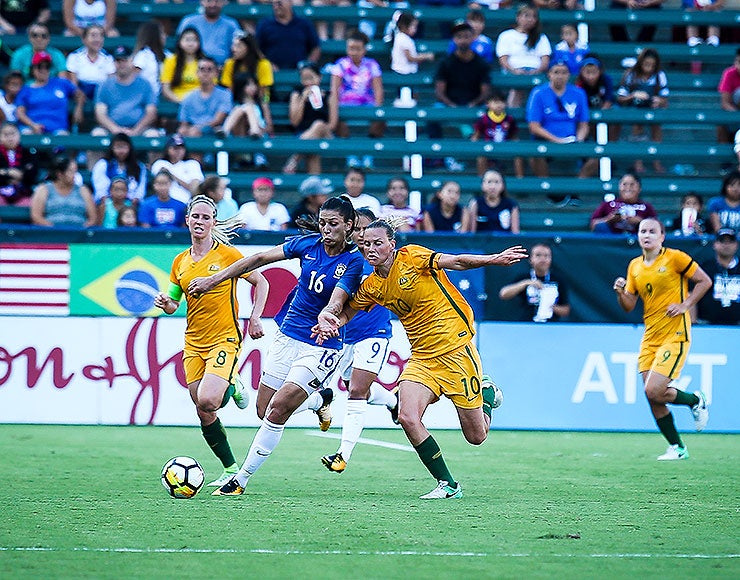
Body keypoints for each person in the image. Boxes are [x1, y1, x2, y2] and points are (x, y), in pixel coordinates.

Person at [313, 221, 525, 498]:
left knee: (476, 437)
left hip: (456, 352)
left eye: (378, 243)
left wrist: (493, 260)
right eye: (366, 244)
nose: (371, 249)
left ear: (392, 244)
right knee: (407, 416)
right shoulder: (373, 285)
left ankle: (485, 395)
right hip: (422, 359)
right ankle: (448, 485)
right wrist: (331, 323)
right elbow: (348, 312)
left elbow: (457, 261)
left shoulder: (412, 257)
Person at [187, 196, 366, 497]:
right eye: (322, 222)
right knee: (263, 410)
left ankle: (240, 480)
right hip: (287, 336)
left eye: (333, 224)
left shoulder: (354, 261)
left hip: (321, 345)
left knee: (278, 410)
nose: (326, 229)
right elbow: (258, 260)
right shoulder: (307, 245)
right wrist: (214, 279)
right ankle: (319, 401)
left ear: (349, 226)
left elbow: (337, 298)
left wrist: (328, 316)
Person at [154, 194, 269, 488]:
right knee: (203, 407)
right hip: (193, 342)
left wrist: (255, 317)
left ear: (213, 222)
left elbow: (262, 282)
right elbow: (173, 304)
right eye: (196, 217)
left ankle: (232, 382)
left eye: (206, 217)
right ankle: (230, 467)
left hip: (224, 337)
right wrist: (165, 301)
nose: (200, 222)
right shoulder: (179, 261)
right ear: (187, 220)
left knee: (209, 398)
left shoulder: (227, 255)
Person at [613, 217, 711, 460]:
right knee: (652, 395)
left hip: (675, 333)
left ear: (662, 236)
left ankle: (695, 400)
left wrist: (685, 304)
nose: (647, 235)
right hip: (650, 335)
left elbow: (704, 281)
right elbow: (628, 305)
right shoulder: (635, 266)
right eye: (642, 231)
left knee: (655, 389)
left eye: (652, 231)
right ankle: (678, 448)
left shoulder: (675, 257)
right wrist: (619, 292)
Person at [320, 207, 400, 473]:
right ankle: (392, 400)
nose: (361, 235)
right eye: (356, 230)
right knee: (351, 385)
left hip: (374, 332)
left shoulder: (382, 260)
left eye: (365, 230)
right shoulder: (349, 260)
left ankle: (342, 454)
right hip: (346, 335)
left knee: (356, 390)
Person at [431, 19, 491, 172]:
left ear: (473, 38)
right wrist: (451, 105)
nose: (463, 40)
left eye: (466, 36)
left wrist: (474, 104)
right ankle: (437, 156)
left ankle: (490, 158)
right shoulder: (446, 63)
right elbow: (439, 92)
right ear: (454, 39)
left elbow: (485, 91)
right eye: (459, 37)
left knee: (493, 114)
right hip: (449, 104)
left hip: (474, 105)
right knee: (433, 114)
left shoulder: (481, 63)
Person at [526, 59, 592, 178]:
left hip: (572, 138)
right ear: (549, 74)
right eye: (556, 72)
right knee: (535, 154)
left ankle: (575, 189)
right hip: (546, 138)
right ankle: (547, 189)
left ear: (568, 75)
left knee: (596, 156)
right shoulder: (538, 93)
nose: (560, 76)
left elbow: (584, 124)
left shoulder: (578, 93)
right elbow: (534, 126)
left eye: (564, 72)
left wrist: (579, 139)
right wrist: (557, 140)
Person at [330, 29, 385, 169]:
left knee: (381, 120)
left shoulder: (372, 64)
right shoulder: (340, 64)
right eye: (351, 48)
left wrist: (378, 110)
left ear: (364, 49)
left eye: (357, 49)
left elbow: (378, 89)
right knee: (338, 120)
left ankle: (368, 156)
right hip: (345, 105)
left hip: (367, 104)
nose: (354, 52)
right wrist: (335, 109)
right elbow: (335, 90)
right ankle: (351, 157)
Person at [615, 48, 669, 174]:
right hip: (634, 108)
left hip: (652, 108)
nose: (649, 68)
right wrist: (634, 95)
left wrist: (658, 101)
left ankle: (656, 160)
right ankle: (638, 162)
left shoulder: (660, 76)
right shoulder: (631, 75)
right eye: (646, 64)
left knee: (657, 125)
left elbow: (665, 100)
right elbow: (620, 98)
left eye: (652, 65)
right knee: (637, 124)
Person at [94, 46, 157, 138]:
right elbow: (100, 113)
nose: (121, 64)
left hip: (139, 129)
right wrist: (115, 129)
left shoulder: (145, 84)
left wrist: (136, 130)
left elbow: (151, 112)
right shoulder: (105, 85)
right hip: (111, 129)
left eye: (125, 60)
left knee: (153, 135)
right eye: (118, 61)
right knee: (98, 134)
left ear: (131, 61)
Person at [14, 52, 84, 135]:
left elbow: (80, 94)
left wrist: (78, 108)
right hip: (33, 128)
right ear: (33, 69)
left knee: (63, 136)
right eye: (40, 67)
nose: (43, 70)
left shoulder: (61, 83)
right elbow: (19, 112)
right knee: (26, 134)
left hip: (58, 129)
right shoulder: (26, 89)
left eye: (47, 67)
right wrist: (32, 125)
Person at [495, 5, 551, 108]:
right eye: (526, 16)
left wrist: (536, 71)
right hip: (512, 73)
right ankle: (513, 114)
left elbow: (545, 60)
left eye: (533, 17)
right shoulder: (506, 35)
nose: (530, 19)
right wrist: (514, 71)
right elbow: (503, 59)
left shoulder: (541, 37)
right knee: (517, 86)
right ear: (518, 17)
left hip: (535, 72)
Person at [498, 242, 570, 322]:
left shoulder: (558, 279)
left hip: (551, 325)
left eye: (546, 256)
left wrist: (548, 305)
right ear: (530, 259)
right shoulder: (524, 277)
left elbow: (566, 309)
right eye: (538, 255)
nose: (542, 259)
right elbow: (503, 294)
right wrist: (526, 283)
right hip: (527, 324)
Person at [283, 60, 332, 175]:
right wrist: (302, 100)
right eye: (305, 78)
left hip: (326, 134)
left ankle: (294, 159)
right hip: (302, 134)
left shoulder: (329, 95)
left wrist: (318, 131)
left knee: (318, 125)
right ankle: (314, 188)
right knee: (312, 150)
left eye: (311, 78)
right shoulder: (296, 94)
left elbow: (332, 124)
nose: (308, 82)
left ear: (319, 77)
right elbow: (295, 122)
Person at [29, 155, 95, 228]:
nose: (75, 175)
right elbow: (36, 216)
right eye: (71, 172)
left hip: (79, 234)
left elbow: (93, 218)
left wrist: (82, 230)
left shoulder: (83, 190)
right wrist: (54, 228)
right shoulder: (44, 189)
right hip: (51, 233)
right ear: (59, 174)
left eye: (75, 171)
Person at [255, 0, 321, 70]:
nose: (276, 6)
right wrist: (268, 64)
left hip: (299, 73)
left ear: (290, 2)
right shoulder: (265, 24)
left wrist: (307, 66)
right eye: (274, 4)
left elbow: (315, 48)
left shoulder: (304, 24)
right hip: (272, 72)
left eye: (279, 3)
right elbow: (257, 48)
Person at [471, 91, 523, 178]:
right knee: (481, 157)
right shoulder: (483, 119)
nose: (499, 104)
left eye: (501, 102)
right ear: (488, 104)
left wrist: (516, 145)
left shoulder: (509, 119)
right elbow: (476, 135)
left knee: (518, 155)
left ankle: (520, 179)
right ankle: (481, 178)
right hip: (488, 147)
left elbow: (514, 136)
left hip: (505, 146)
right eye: (495, 102)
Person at [178, 56, 233, 138]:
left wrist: (198, 128)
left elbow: (218, 120)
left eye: (210, 69)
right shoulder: (188, 97)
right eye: (202, 69)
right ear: (197, 73)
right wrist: (185, 130)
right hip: (193, 133)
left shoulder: (225, 94)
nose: (205, 73)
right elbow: (183, 124)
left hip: (217, 133)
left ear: (216, 73)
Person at [696, 228, 740, 325]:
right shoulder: (704, 268)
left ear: (736, 245)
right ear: (714, 244)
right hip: (707, 324)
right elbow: (691, 294)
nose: (726, 245)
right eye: (722, 241)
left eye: (730, 241)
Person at [590, 172, 658, 235]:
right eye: (624, 184)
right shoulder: (608, 204)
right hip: (612, 239)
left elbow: (657, 228)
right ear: (619, 187)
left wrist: (641, 222)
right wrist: (609, 219)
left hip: (638, 240)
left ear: (639, 188)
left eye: (632, 185)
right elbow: (593, 225)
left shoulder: (646, 206)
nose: (628, 188)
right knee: (601, 226)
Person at [176, 0, 239, 66]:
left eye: (217, 1)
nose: (213, 4)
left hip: (223, 68)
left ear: (223, 2)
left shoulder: (231, 24)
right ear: (201, 2)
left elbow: (237, 48)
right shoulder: (188, 21)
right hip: (192, 67)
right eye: (209, 1)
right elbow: (179, 46)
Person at [90, 133, 147, 204]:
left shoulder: (139, 166)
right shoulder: (103, 164)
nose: (121, 151)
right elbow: (100, 190)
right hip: (108, 203)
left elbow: (140, 190)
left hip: (130, 205)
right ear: (112, 148)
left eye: (124, 147)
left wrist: (134, 202)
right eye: (118, 147)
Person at [150, 134, 204, 204]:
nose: (179, 151)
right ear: (168, 149)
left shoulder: (192, 164)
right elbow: (157, 187)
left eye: (181, 148)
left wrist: (170, 174)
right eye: (175, 148)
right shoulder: (160, 163)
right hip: (164, 204)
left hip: (186, 203)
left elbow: (194, 190)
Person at [65, 24, 114, 100]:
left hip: (102, 90)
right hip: (82, 89)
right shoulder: (74, 56)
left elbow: (111, 81)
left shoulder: (108, 57)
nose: (97, 39)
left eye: (100, 36)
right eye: (93, 36)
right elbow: (73, 83)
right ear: (84, 39)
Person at [220, 31, 273, 101]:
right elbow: (228, 89)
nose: (234, 49)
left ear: (248, 47)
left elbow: (265, 92)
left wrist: (264, 103)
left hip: (257, 102)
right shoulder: (229, 63)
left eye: (239, 46)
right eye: (233, 45)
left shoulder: (263, 64)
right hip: (235, 101)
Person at [161, 27, 205, 104]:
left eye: (194, 40)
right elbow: (166, 89)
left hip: (201, 102)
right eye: (187, 40)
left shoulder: (205, 62)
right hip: (177, 101)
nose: (191, 43)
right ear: (180, 42)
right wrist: (180, 101)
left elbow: (212, 87)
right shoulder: (170, 61)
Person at [469, 169, 520, 234]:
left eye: (496, 182)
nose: (493, 186)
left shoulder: (511, 205)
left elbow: (515, 232)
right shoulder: (475, 203)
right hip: (481, 242)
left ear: (503, 185)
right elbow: (471, 232)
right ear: (483, 185)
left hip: (504, 242)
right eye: (489, 182)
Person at [0, 121, 38, 208]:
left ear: (19, 135)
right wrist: (9, 173)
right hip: (1, 192)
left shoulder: (28, 153)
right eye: (6, 135)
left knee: (31, 203)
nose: (10, 138)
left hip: (23, 193)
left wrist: (20, 175)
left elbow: (32, 173)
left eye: (13, 134)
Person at [132, 19, 168, 97]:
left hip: (164, 95)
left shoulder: (168, 55)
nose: (165, 36)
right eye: (162, 33)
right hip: (145, 95)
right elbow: (134, 76)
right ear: (154, 35)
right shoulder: (143, 55)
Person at [717, 49, 740, 146]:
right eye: (738, 62)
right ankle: (724, 158)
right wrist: (736, 115)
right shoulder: (729, 73)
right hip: (734, 112)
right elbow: (725, 103)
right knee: (720, 122)